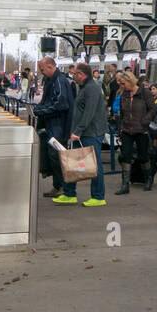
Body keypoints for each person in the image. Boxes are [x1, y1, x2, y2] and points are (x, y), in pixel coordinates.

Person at [32, 57, 76, 199]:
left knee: (57, 156)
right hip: (55, 124)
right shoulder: (55, 80)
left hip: (59, 125)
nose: (41, 72)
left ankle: (63, 187)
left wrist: (42, 110)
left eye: (42, 69)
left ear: (51, 67)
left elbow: (61, 104)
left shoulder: (58, 81)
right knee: (54, 156)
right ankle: (58, 186)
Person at [66, 62, 108, 207]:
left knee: (94, 165)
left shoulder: (91, 88)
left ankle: (98, 196)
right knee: (74, 162)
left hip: (91, 132)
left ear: (82, 75)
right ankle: (69, 193)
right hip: (85, 132)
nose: (73, 76)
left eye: (75, 73)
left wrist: (77, 131)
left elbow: (88, 113)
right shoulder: (85, 87)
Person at [114, 72, 157, 195]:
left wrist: (145, 120)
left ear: (130, 81)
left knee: (143, 156)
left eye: (123, 83)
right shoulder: (124, 94)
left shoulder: (144, 93)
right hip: (127, 129)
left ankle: (148, 179)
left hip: (141, 130)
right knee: (125, 156)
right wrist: (120, 130)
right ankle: (125, 184)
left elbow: (153, 109)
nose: (122, 86)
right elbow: (122, 113)